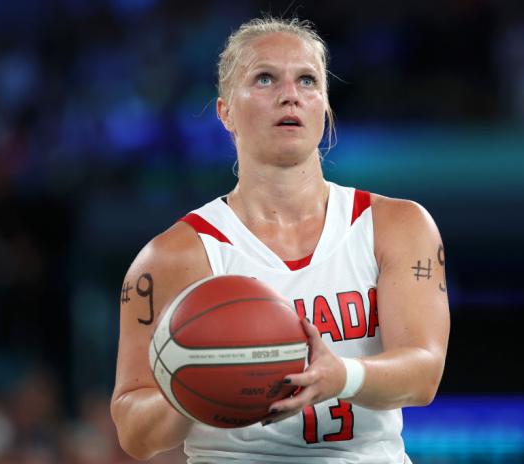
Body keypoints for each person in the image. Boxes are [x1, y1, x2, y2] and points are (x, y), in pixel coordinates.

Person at [111, 16, 450, 464]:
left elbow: (424, 373)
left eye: (307, 80)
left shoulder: (396, 225)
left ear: (325, 107)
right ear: (225, 111)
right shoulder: (174, 255)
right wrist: (194, 388)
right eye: (265, 78)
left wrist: (340, 377)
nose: (290, 93)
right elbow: (133, 433)